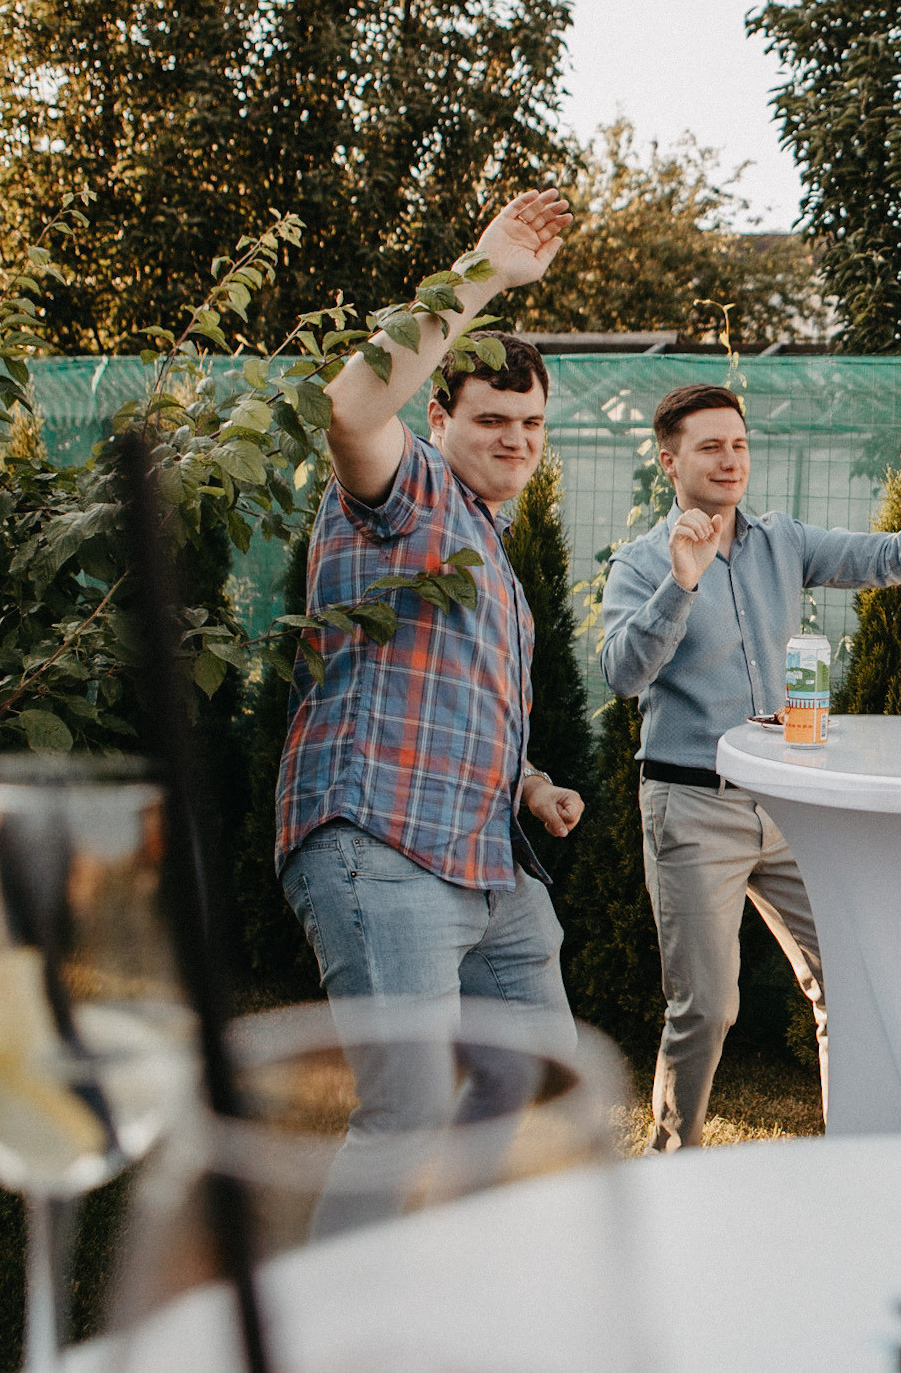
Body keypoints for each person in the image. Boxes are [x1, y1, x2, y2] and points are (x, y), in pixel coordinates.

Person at [275, 190, 584, 1224]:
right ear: (440, 420)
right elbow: (351, 409)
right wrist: (483, 271)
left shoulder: (488, 544)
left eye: (531, 424)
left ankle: (473, 1284)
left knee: (538, 1095)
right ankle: (333, 1311)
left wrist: (528, 782)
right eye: (492, 420)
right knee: (405, 1118)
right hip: (385, 845)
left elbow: (454, 700)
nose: (516, 440)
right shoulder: (403, 495)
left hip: (491, 862)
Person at [599, 384, 901, 1152]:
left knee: (848, 982)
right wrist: (681, 581)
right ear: (669, 462)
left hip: (781, 803)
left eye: (738, 444)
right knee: (705, 1009)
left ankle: (848, 1157)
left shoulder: (782, 541)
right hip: (690, 807)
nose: (730, 459)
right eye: (710, 446)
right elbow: (621, 675)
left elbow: (893, 559)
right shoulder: (640, 563)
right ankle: (672, 1165)